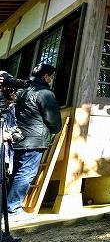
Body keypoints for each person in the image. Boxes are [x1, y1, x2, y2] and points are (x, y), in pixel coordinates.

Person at [7, 63, 61, 219]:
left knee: (14, 173)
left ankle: (7, 207)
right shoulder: (44, 92)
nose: (51, 79)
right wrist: (54, 130)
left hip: (16, 138)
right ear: (45, 76)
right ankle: (13, 209)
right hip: (34, 139)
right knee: (26, 173)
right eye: (51, 76)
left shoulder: (20, 91)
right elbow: (53, 120)